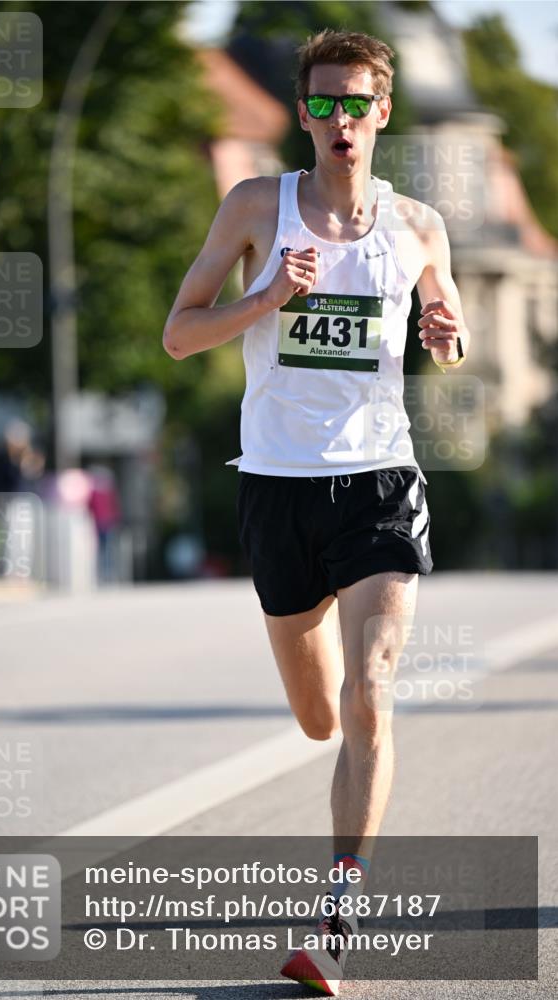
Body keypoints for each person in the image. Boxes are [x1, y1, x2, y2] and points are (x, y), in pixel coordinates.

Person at [164, 28, 469, 996]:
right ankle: (331, 714)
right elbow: (179, 334)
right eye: (325, 103)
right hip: (275, 486)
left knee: (370, 692)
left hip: (379, 478)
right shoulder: (257, 205)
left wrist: (445, 333)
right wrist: (263, 297)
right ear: (304, 115)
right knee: (315, 715)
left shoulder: (418, 224)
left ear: (383, 113)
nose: (341, 120)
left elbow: (448, 330)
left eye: (358, 103)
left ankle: (337, 914)